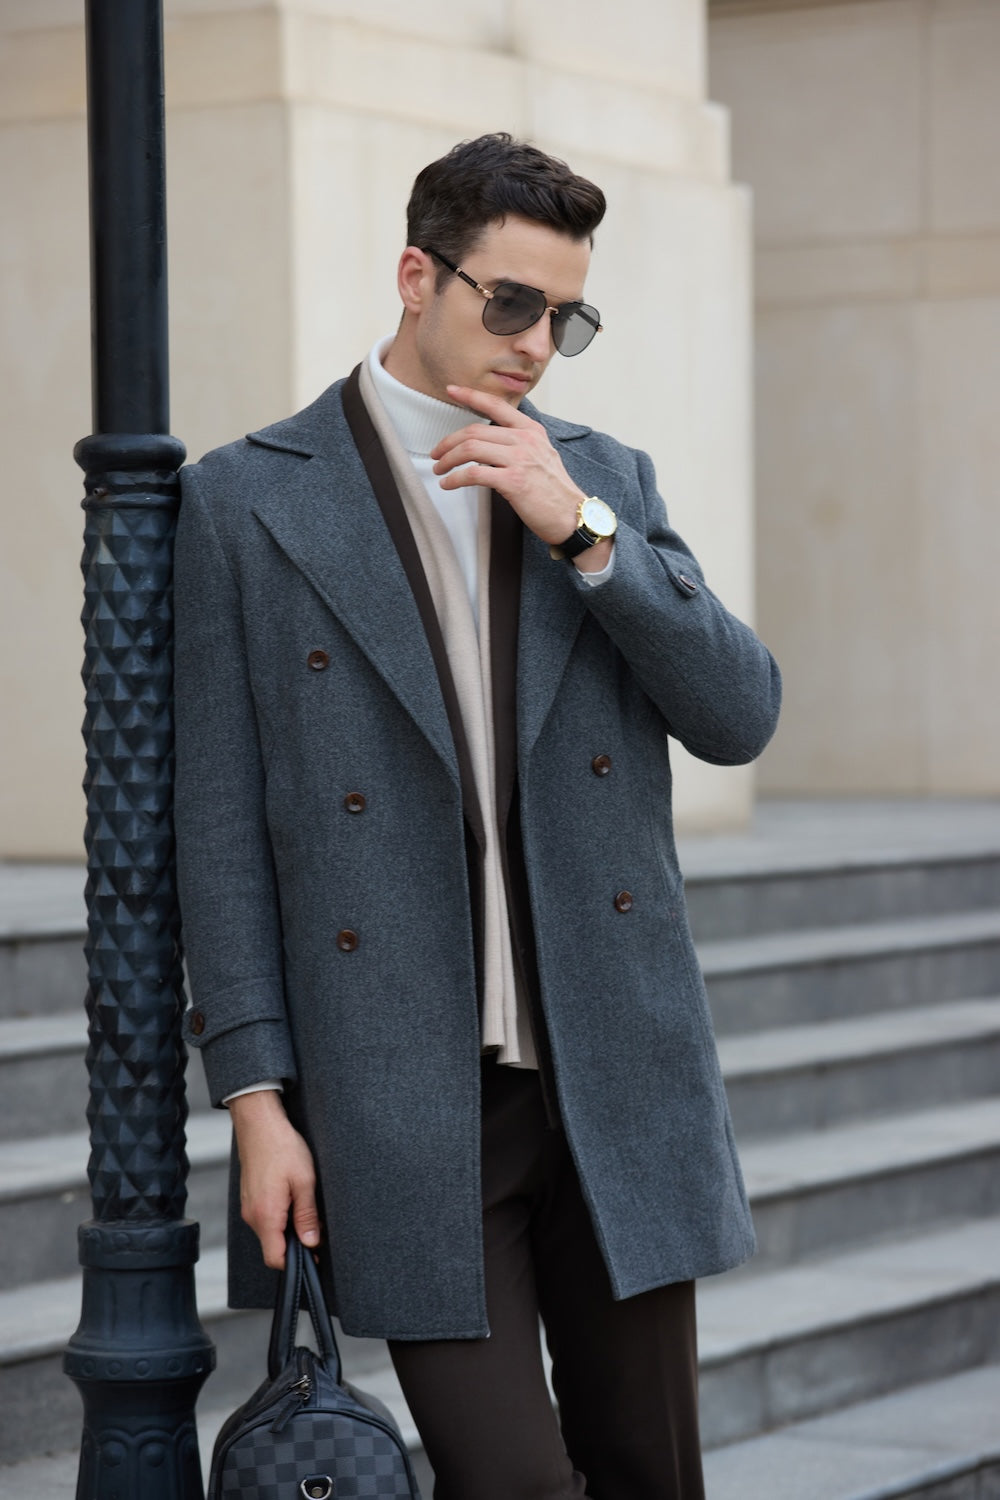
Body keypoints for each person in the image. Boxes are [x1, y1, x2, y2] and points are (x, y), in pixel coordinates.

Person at [173, 132, 781, 1500]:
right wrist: (257, 1101)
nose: (536, 345)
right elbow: (216, 830)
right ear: (415, 274)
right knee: (512, 1479)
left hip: (614, 1072)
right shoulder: (245, 500)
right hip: (401, 1095)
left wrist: (585, 535)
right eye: (511, 304)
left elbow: (739, 714)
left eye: (566, 318)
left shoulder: (597, 474)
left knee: (648, 1471)